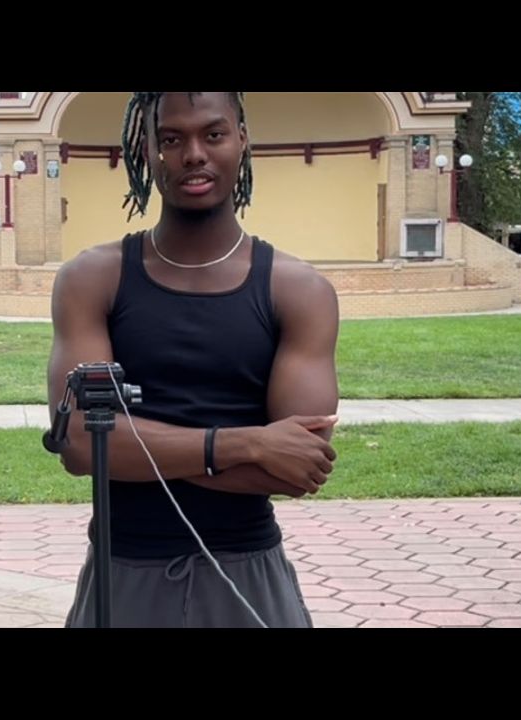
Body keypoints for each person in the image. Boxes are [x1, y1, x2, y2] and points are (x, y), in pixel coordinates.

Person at [48, 92, 340, 628]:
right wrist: (249, 443)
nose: (194, 154)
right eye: (171, 138)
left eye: (213, 134)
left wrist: (137, 447)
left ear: (242, 140)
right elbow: (82, 445)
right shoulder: (92, 278)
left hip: (248, 574)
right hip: (123, 574)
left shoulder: (298, 290)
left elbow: (300, 467)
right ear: (147, 149)